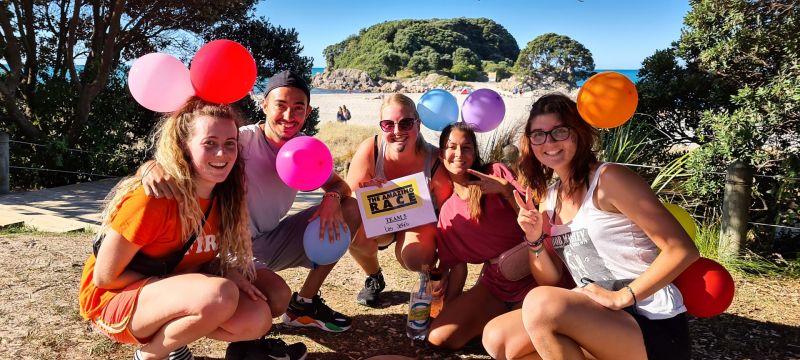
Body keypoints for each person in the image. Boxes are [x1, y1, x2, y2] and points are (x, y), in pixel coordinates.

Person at [141, 71, 361, 355]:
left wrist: (332, 197)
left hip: (268, 240)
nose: (289, 114)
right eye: (281, 104)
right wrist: (149, 167)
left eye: (298, 107)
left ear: (308, 111)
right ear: (264, 105)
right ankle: (195, 338)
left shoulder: (303, 150)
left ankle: (304, 306)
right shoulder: (239, 141)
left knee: (350, 208)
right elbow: (182, 156)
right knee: (277, 297)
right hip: (225, 248)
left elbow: (338, 184)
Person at [481, 93, 700, 360]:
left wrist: (623, 296)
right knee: (498, 337)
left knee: (540, 304)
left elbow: (682, 249)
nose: (548, 142)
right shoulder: (549, 199)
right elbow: (548, 279)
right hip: (598, 316)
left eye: (559, 132)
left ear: (578, 133)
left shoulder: (609, 180)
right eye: (537, 134)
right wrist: (535, 239)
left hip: (649, 322)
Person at [78, 98, 275, 360]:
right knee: (220, 294)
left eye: (230, 144)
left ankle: (174, 343)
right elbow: (104, 277)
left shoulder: (225, 199)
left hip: (159, 294)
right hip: (111, 302)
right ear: (184, 146)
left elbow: (191, 257)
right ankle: (150, 355)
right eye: (209, 143)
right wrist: (180, 290)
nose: (222, 154)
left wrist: (225, 270)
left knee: (257, 317)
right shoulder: (154, 198)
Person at [426, 122, 541, 350]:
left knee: (509, 347)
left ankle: (505, 326)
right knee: (438, 339)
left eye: (467, 148)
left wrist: (507, 192)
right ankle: (495, 322)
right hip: (496, 284)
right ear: (441, 154)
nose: (459, 154)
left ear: (475, 153)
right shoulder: (448, 212)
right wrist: (446, 312)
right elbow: (457, 267)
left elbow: (536, 222)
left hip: (535, 273)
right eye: (452, 147)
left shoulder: (495, 173)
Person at [345, 93, 452, 307]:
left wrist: (445, 266)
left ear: (418, 125)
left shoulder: (434, 160)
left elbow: (448, 212)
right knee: (354, 232)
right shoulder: (372, 149)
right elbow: (349, 201)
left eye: (405, 123)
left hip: (419, 223)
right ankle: (374, 277)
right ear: (381, 127)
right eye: (388, 124)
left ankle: (429, 278)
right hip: (381, 223)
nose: (397, 132)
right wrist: (365, 192)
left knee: (415, 257)